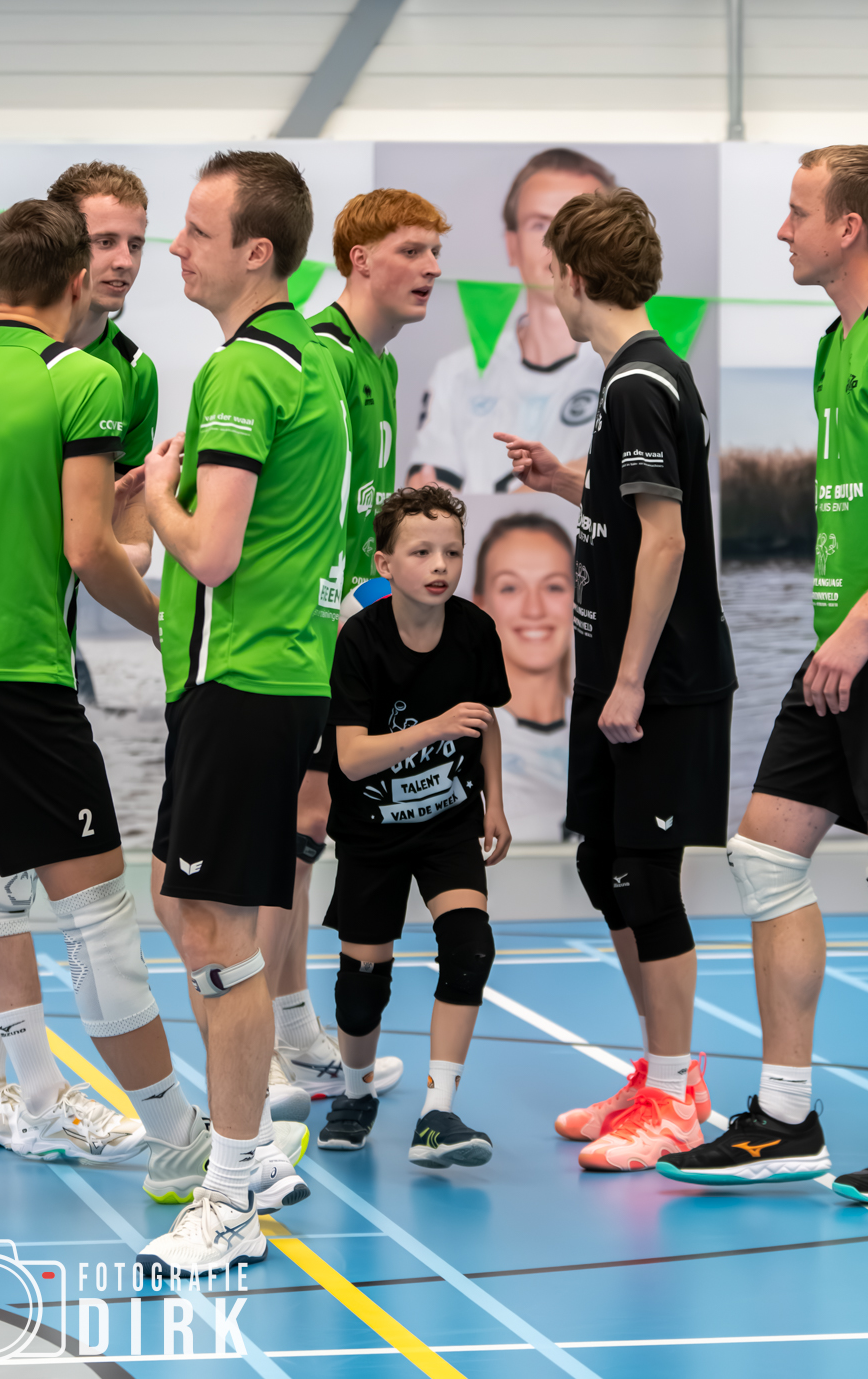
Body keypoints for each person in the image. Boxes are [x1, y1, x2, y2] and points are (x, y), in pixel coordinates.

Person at [0, 199, 203, 1215]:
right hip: (13, 673)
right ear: (75, 281)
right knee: (99, 922)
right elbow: (87, 548)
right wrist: (167, 626)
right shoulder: (79, 376)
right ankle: (179, 1140)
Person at [658, 145, 868, 1197]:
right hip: (841, 649)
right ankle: (787, 1119)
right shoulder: (835, 342)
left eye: (798, 213)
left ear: (850, 226)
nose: (782, 232)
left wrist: (862, 626)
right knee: (763, 853)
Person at [140, 151, 350, 1275]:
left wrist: (156, 495)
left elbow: (213, 552)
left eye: (194, 230)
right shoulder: (311, 359)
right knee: (183, 906)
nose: (174, 248)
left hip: (243, 679)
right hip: (263, 682)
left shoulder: (243, 369)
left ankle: (229, 1196)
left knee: (216, 935)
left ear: (254, 251)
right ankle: (253, 1148)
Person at [497, 186, 734, 1171]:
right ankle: (662, 1073)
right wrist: (568, 482)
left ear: (573, 276)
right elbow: (636, 512)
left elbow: (667, 542)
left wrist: (629, 680)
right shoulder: (633, 378)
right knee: (605, 867)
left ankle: (678, 1096)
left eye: (552, 268)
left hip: (661, 682)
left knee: (644, 875)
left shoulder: (640, 380)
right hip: (617, 678)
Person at [261, 189, 450, 1115]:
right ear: (358, 257)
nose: (432, 268)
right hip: (307, 636)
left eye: (436, 252)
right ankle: (273, 1045)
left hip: (347, 630)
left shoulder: (379, 360)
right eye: (412, 250)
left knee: (309, 832)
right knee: (293, 835)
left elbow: (364, 525)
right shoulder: (323, 355)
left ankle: (297, 1040)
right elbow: (303, 520)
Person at [317, 484, 511, 1166]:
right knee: (362, 985)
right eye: (422, 552)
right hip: (371, 831)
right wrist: (433, 727)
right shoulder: (360, 642)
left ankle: (437, 1112)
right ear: (385, 564)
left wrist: (494, 799)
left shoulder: (475, 630)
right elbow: (351, 757)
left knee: (470, 950)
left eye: (452, 552)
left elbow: (483, 721)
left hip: (448, 824)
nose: (440, 566)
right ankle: (354, 1093)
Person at [409, 148, 612, 495]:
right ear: (511, 244)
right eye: (540, 225)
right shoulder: (456, 374)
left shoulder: (626, 370)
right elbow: (426, 493)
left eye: (577, 225)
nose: (557, 244)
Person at [473, 513, 573, 843]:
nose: (534, 609)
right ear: (480, 606)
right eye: (511, 587)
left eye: (554, 586)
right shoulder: (452, 737)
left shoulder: (613, 734)